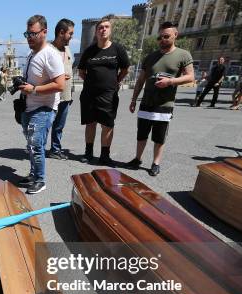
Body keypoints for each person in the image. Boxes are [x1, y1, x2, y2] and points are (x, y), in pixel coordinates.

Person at [127, 21, 194, 177]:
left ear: (175, 35)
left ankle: (156, 163)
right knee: (141, 134)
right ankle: (137, 159)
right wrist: (133, 99)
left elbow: (190, 77)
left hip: (165, 104)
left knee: (159, 136)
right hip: (146, 101)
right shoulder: (151, 57)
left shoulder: (183, 54)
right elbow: (140, 80)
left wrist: (170, 81)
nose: (162, 39)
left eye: (166, 36)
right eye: (160, 37)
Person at [17, 15, 65, 194]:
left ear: (44, 32)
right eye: (27, 33)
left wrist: (34, 89)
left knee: (36, 145)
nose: (29, 37)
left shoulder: (50, 54)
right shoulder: (32, 53)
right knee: (30, 145)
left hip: (44, 108)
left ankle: (40, 180)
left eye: (33, 33)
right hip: (29, 106)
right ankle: (33, 174)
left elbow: (60, 84)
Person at [77, 17, 130, 166]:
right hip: (89, 94)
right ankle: (88, 153)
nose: (103, 30)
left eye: (106, 27)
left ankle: (104, 155)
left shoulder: (118, 49)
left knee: (107, 125)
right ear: (96, 31)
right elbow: (81, 71)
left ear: (110, 30)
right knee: (90, 123)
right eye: (100, 27)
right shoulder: (90, 50)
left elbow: (125, 69)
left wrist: (115, 81)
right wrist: (91, 82)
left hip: (108, 94)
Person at [46, 18, 75, 161]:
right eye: (70, 33)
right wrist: (60, 78)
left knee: (59, 126)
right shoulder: (48, 50)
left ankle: (55, 149)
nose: (72, 37)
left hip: (65, 96)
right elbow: (42, 74)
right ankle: (38, 150)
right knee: (45, 125)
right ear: (61, 32)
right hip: (50, 97)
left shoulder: (68, 49)